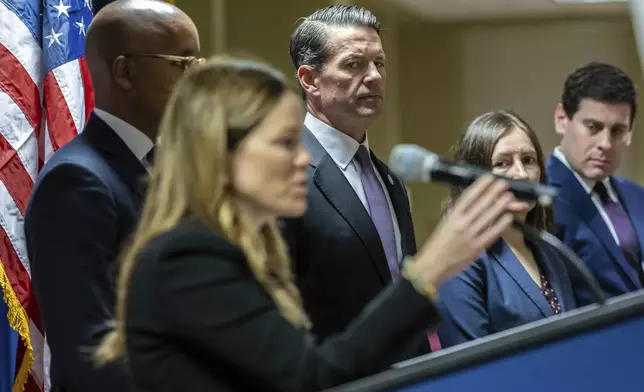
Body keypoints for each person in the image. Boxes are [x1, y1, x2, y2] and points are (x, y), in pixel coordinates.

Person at [94, 55, 520, 392]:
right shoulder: (187, 258)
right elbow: (312, 377)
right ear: (220, 153)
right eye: (284, 143)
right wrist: (428, 272)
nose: (303, 159)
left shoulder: (238, 250)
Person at [23, 1, 201, 391]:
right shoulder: (77, 182)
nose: (196, 81)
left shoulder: (168, 166)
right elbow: (91, 355)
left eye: (197, 64)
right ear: (125, 71)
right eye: (180, 63)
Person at [282, 4, 436, 353]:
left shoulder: (390, 180)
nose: (375, 77)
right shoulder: (287, 173)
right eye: (354, 64)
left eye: (379, 63)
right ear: (309, 79)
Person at [437, 111, 577, 347]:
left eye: (529, 160)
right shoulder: (460, 260)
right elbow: (470, 369)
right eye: (502, 163)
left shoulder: (551, 251)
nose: (521, 174)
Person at [547, 62, 644, 306]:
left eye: (618, 131)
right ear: (561, 120)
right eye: (593, 127)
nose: (606, 144)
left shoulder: (637, 196)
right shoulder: (541, 200)